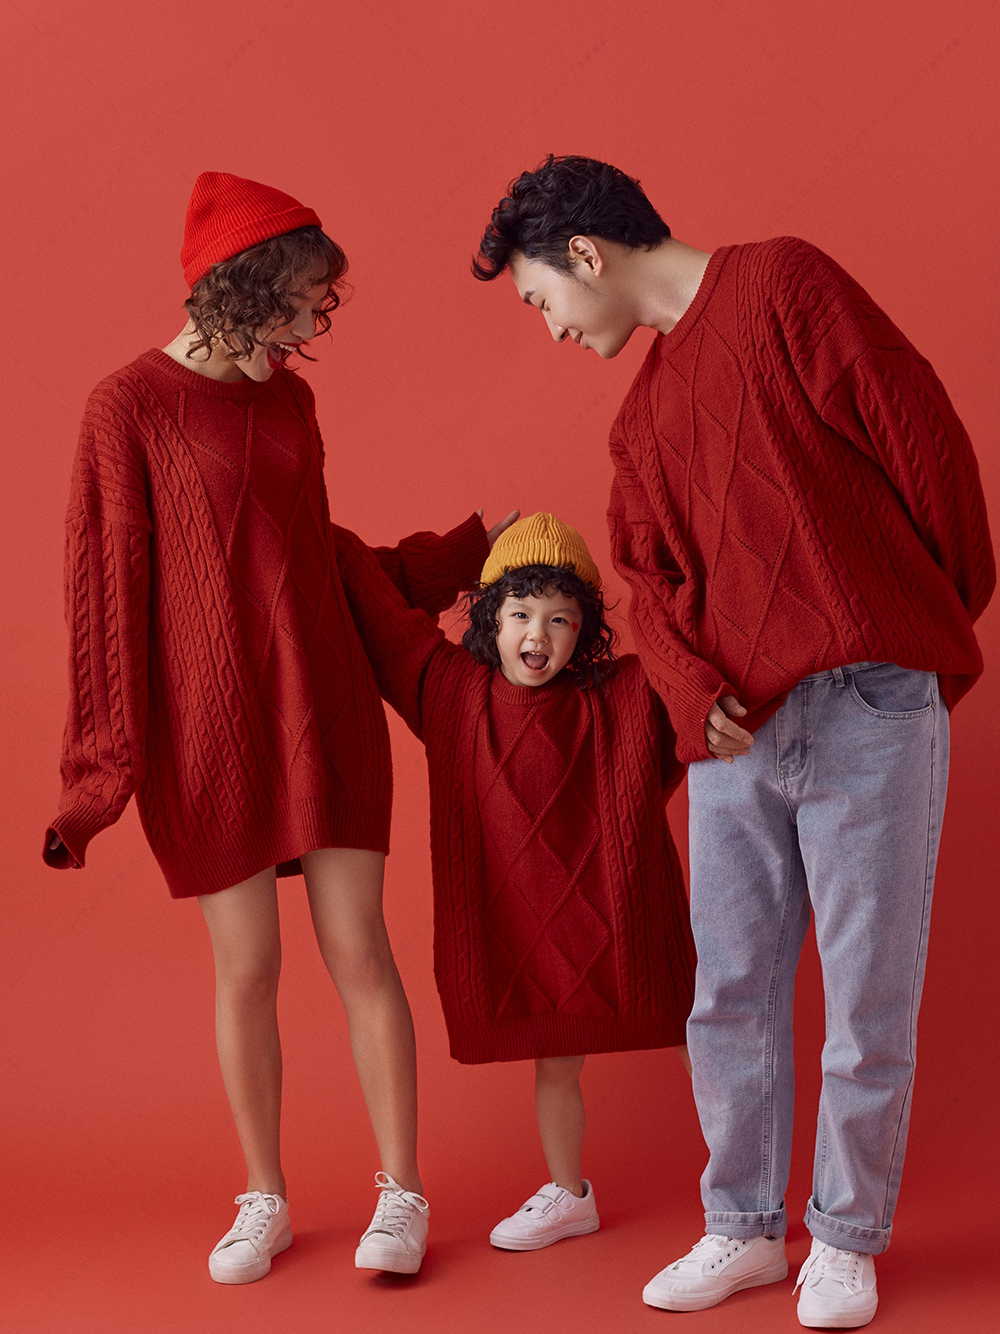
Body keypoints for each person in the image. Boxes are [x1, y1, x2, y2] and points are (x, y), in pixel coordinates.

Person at [472, 156, 994, 1327]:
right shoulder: (640, 420)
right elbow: (645, 581)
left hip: (866, 702)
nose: (551, 328)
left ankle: (844, 1237)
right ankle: (745, 1226)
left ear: (586, 254)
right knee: (728, 993)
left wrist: (914, 628)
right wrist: (687, 683)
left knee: (867, 995)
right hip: (732, 735)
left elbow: (928, 449)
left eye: (541, 299)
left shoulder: (784, 286)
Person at [43, 171, 497, 1284]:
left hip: (321, 702)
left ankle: (402, 1191)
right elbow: (106, 594)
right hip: (209, 726)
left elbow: (310, 555)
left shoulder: (290, 401)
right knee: (247, 967)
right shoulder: (126, 407)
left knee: (361, 949)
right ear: (238, 292)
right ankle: (266, 1198)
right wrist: (100, 773)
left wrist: (442, 564)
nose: (307, 333)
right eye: (296, 308)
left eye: (316, 313)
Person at [333, 512, 695, 1250]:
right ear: (490, 620)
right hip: (528, 937)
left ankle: (743, 1192)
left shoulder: (625, 694)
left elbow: (691, 653)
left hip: (614, 924)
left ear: (584, 631)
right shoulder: (449, 690)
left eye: (560, 619)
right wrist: (319, 527)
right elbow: (379, 613)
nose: (539, 634)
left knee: (708, 1038)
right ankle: (569, 1194)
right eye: (521, 614)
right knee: (555, 1064)